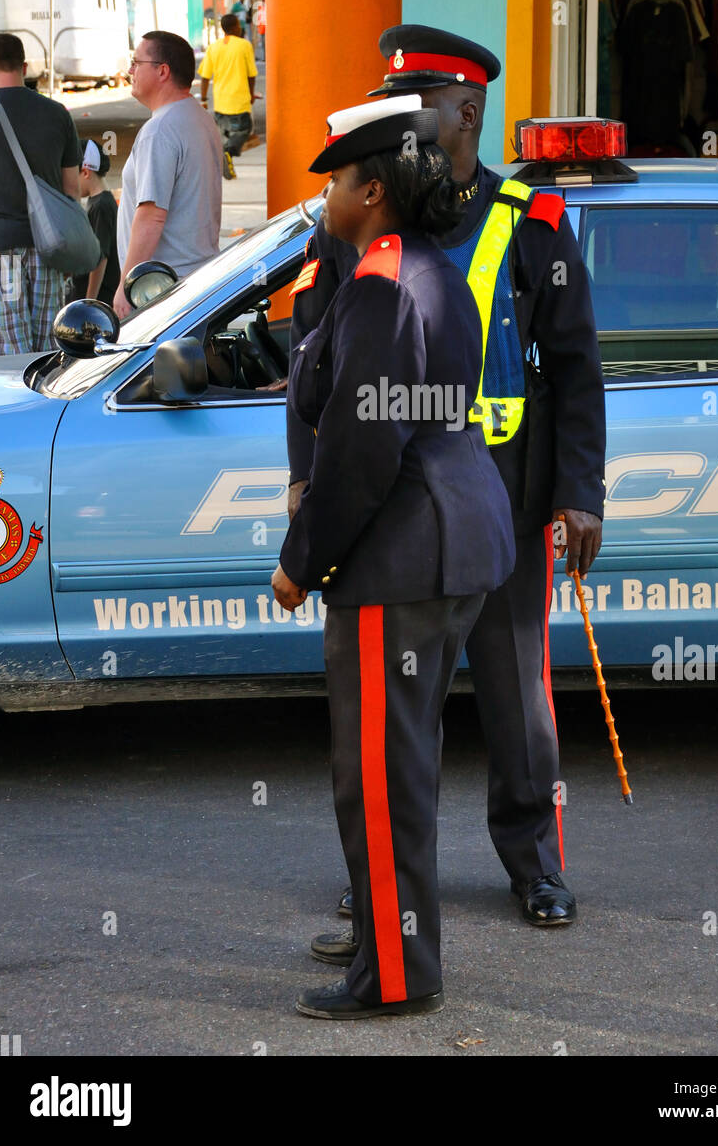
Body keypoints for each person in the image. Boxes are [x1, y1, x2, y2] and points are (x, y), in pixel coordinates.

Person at [287, 26, 606, 949]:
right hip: (388, 493)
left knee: (517, 697)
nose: (398, 114)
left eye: (416, 99)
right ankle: (385, 883)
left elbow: (576, 365)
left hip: (502, 487)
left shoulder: (529, 221)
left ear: (464, 111)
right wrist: (309, 483)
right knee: (397, 710)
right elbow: (313, 365)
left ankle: (534, 862)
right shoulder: (359, 216)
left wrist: (578, 490)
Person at [272, 94, 515, 1020]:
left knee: (377, 775)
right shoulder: (421, 268)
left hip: (404, 550)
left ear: (372, 191)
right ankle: (392, 945)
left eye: (336, 179)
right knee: (400, 766)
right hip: (452, 537)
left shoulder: (381, 287)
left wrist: (302, 560)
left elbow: (364, 450)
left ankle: (397, 978)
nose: (327, 194)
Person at [0, 31, 81, 355]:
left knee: (10, 358)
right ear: (25, 66)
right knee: (49, 353)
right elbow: (71, 190)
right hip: (48, 248)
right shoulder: (57, 113)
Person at [115, 31, 222, 319]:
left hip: (161, 289)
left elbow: (152, 215)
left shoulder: (160, 130)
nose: (130, 71)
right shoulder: (199, 117)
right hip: (196, 279)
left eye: (137, 62)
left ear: (162, 71)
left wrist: (126, 286)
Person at [198, 13, 258, 176]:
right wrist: (252, 94)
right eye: (238, 25)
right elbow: (251, 74)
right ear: (234, 27)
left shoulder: (213, 47)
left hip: (220, 101)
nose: (240, 27)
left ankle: (227, 164)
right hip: (239, 99)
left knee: (225, 134)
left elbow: (205, 76)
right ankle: (227, 153)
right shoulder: (244, 45)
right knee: (243, 131)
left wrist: (203, 99)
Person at [65, 139, 120, 309]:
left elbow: (100, 258)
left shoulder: (101, 206)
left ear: (86, 172)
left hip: (98, 297)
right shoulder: (98, 201)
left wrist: (90, 302)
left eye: (73, 175)